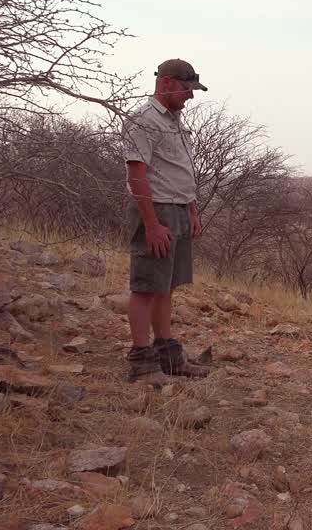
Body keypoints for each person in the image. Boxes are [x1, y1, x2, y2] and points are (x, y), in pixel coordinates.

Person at [120, 58, 210, 384]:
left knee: (165, 286)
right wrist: (152, 224)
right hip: (156, 210)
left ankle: (167, 355)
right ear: (167, 83)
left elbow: (178, 169)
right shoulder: (143, 120)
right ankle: (142, 364)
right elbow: (137, 174)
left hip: (179, 208)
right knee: (146, 287)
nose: (190, 95)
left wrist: (192, 209)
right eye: (186, 88)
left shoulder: (174, 120)